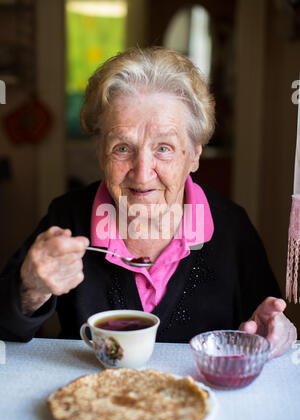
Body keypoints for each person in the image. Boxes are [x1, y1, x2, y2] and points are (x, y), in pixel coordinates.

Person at [0, 47, 296, 358]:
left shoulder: (231, 227)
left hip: (199, 403)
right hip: (96, 399)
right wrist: (30, 289)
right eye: (122, 148)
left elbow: (268, 323)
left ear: (194, 153)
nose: (142, 174)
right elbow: (5, 330)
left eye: (164, 148)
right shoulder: (68, 219)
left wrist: (276, 331)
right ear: (100, 150)